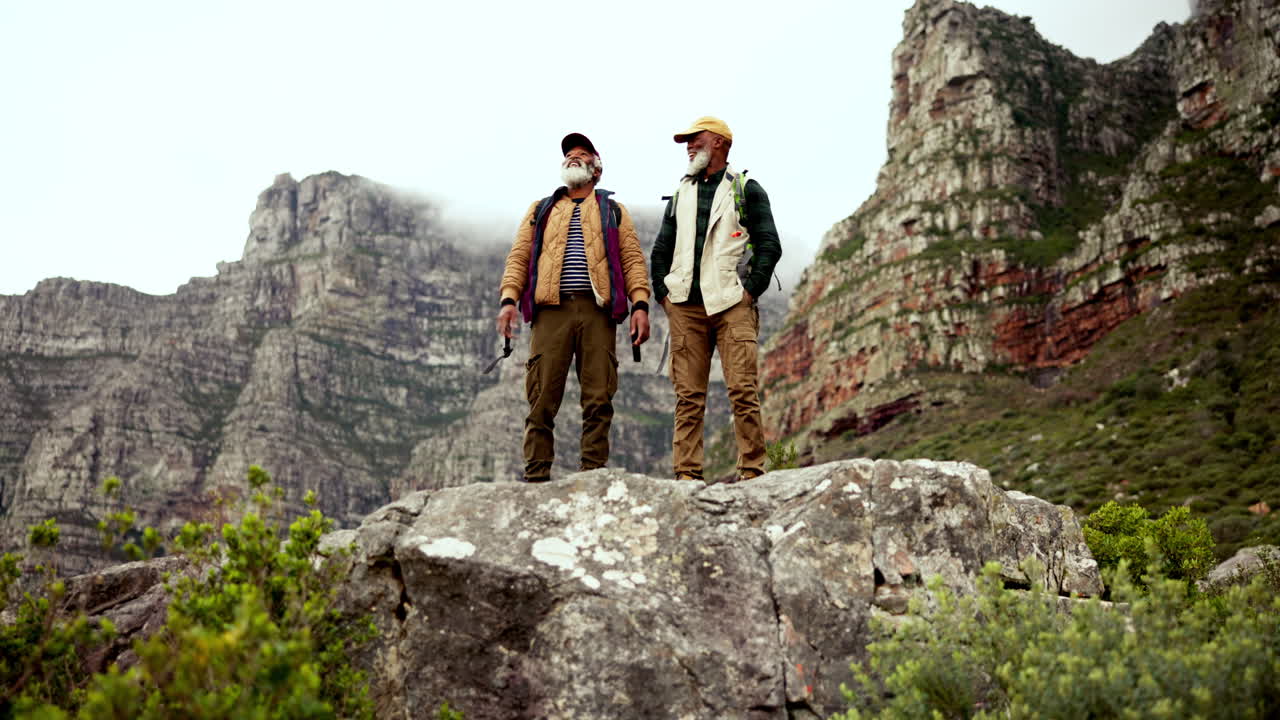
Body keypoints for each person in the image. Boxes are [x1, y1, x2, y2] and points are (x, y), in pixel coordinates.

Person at [496, 132, 651, 483]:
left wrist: (640, 304)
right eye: (568, 155)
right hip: (551, 312)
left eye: (581, 155)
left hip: (598, 313)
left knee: (598, 398)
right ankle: (536, 476)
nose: (572, 158)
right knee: (541, 397)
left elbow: (632, 261)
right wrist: (508, 299)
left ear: (597, 169)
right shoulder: (541, 210)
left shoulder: (613, 210)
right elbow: (519, 257)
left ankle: (592, 476)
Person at [650, 117, 782, 483]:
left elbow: (769, 244)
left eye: (696, 140)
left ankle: (752, 473)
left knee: (742, 391)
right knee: (688, 398)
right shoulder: (681, 193)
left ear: (720, 144)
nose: (689, 147)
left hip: (731, 306)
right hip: (685, 308)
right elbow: (661, 248)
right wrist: (664, 296)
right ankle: (687, 477)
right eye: (687, 142)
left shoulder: (746, 188)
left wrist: (750, 291)